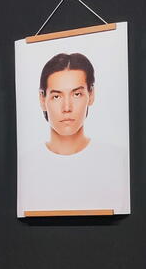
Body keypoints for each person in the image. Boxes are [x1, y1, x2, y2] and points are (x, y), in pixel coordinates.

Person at [17, 52, 129, 215]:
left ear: (91, 95)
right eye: (56, 96)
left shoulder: (119, 161)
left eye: (77, 94)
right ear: (42, 99)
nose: (67, 107)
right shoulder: (24, 165)